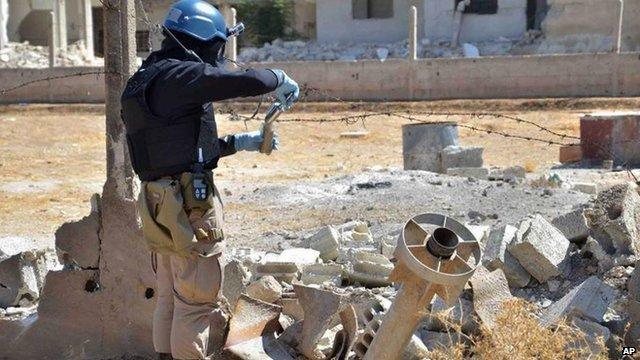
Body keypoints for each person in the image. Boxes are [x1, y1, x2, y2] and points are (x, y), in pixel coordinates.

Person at [120, 1, 299, 359]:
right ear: (204, 40)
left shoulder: (145, 79)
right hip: (190, 209)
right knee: (195, 305)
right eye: (218, 46)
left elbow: (179, 152)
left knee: (171, 298)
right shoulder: (179, 75)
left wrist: (239, 143)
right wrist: (275, 78)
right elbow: (224, 81)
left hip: (160, 206)